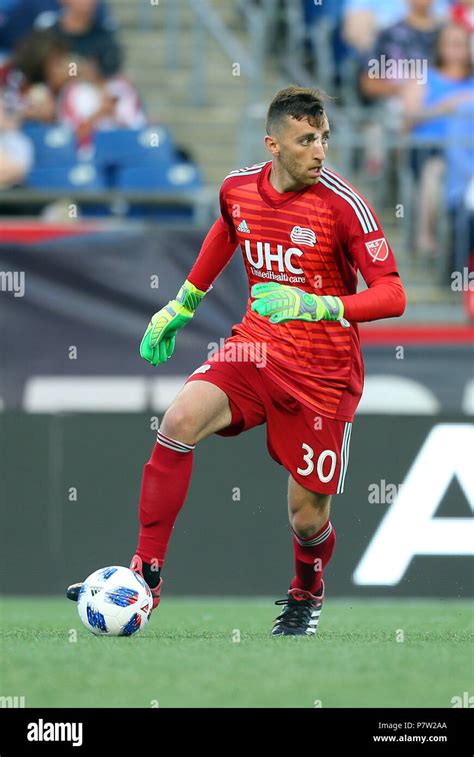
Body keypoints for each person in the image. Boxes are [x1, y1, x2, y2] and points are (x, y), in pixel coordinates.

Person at [66, 86, 406, 636]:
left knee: (306, 516)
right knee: (177, 422)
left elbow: (393, 293)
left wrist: (318, 304)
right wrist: (184, 302)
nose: (320, 152)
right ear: (273, 144)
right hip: (255, 348)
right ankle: (146, 575)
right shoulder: (237, 189)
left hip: (323, 377)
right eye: (306, 140)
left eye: (324, 139)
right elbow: (229, 229)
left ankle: (305, 593)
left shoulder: (344, 205)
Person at [401, 22, 474, 257]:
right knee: (436, 170)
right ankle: (427, 237)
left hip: (468, 150)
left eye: (463, 44)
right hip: (430, 149)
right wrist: (445, 107)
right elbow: (407, 120)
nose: (459, 50)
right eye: (452, 44)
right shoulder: (424, 77)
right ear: (440, 47)